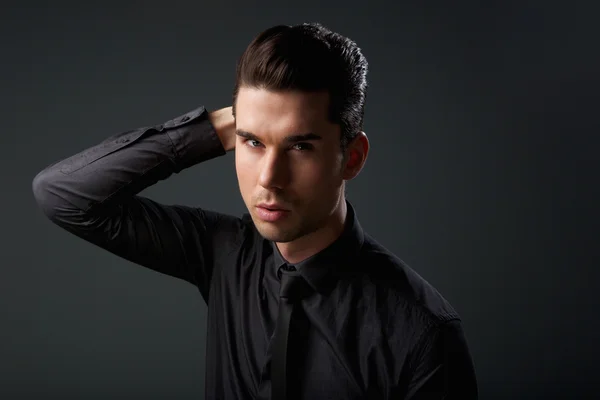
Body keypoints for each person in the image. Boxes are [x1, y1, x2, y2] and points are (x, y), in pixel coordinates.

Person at [32, 22, 478, 399]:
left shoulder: (422, 334)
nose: (269, 177)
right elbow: (64, 195)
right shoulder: (223, 253)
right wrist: (220, 126)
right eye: (253, 143)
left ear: (353, 158)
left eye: (300, 146)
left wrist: (255, 126)